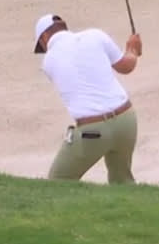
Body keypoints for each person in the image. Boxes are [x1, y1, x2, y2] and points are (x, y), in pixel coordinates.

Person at [32, 13, 143, 184]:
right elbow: (127, 66)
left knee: (58, 181)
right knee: (122, 181)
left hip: (93, 131)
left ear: (45, 37)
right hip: (126, 120)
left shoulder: (48, 61)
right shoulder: (96, 35)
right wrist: (133, 49)